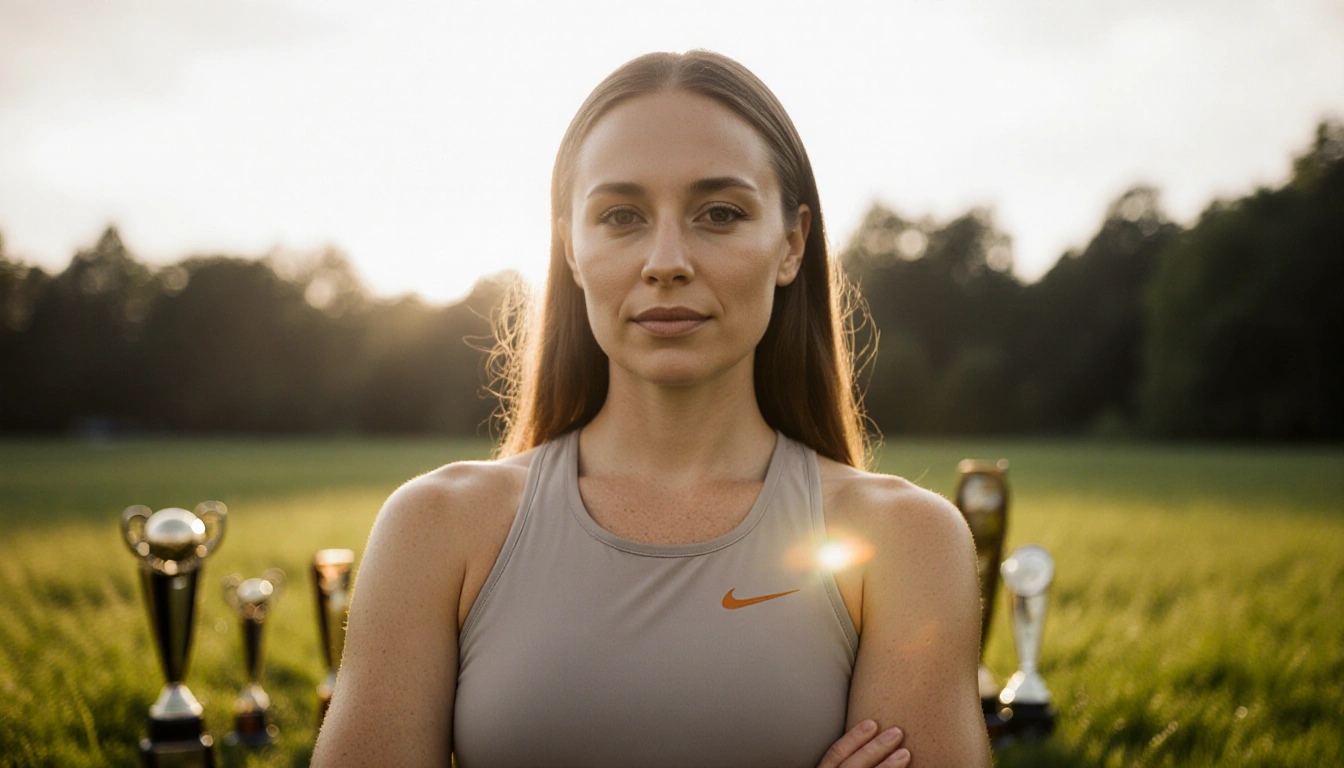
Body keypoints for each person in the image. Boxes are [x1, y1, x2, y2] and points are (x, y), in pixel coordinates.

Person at [312, 50, 990, 768]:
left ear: (791, 245)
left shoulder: (906, 542)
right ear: (571, 247)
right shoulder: (435, 528)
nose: (666, 260)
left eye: (720, 214)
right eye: (622, 215)